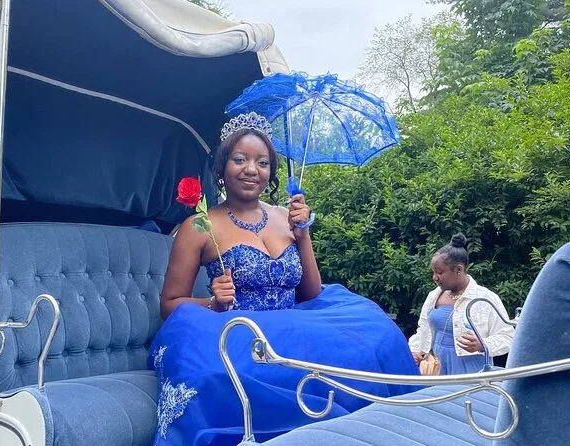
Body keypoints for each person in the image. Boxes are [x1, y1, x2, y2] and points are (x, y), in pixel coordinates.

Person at [149, 112, 420, 446]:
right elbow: (169, 304)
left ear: (270, 172)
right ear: (221, 167)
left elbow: (312, 294)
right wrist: (212, 302)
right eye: (240, 159)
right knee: (217, 372)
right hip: (241, 331)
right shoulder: (199, 226)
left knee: (376, 336)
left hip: (297, 324)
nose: (251, 169)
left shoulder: (286, 217)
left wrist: (302, 235)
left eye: (262, 162)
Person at [409, 234, 515, 375]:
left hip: (472, 371)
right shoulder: (433, 296)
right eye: (433, 272)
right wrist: (415, 351)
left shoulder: (485, 298)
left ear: (459, 269)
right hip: (438, 368)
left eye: (439, 272)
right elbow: (423, 329)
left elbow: (508, 337)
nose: (434, 277)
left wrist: (482, 345)